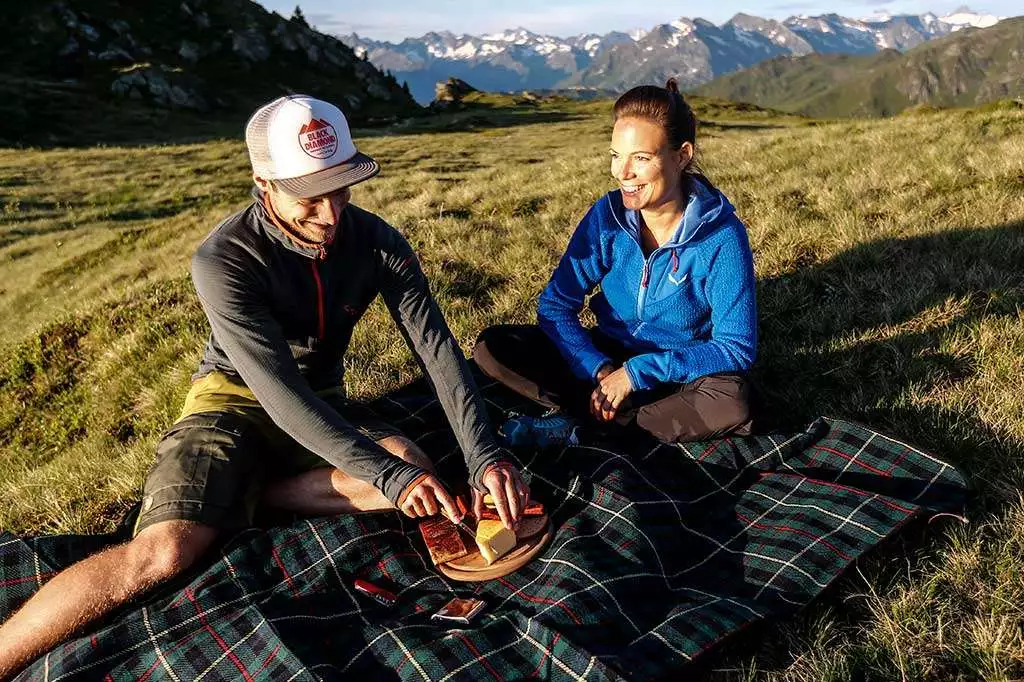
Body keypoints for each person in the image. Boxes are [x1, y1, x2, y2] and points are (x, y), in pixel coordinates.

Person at [0, 94, 528, 677]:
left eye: (341, 189)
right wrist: (388, 476)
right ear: (264, 183)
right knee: (165, 553)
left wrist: (485, 455)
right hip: (232, 403)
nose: (331, 214)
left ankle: (255, 494)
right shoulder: (223, 259)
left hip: (321, 401)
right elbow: (278, 393)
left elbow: (437, 352)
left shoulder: (377, 242)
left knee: (411, 463)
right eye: (310, 197)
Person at [475, 80, 757, 445]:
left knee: (733, 401)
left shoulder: (722, 236)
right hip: (604, 358)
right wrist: (599, 368)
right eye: (615, 155)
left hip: (676, 374)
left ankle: (580, 427)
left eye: (640, 158)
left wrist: (636, 374)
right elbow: (556, 305)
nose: (622, 172)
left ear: (681, 155)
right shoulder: (606, 218)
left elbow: (736, 347)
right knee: (493, 347)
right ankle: (614, 423)